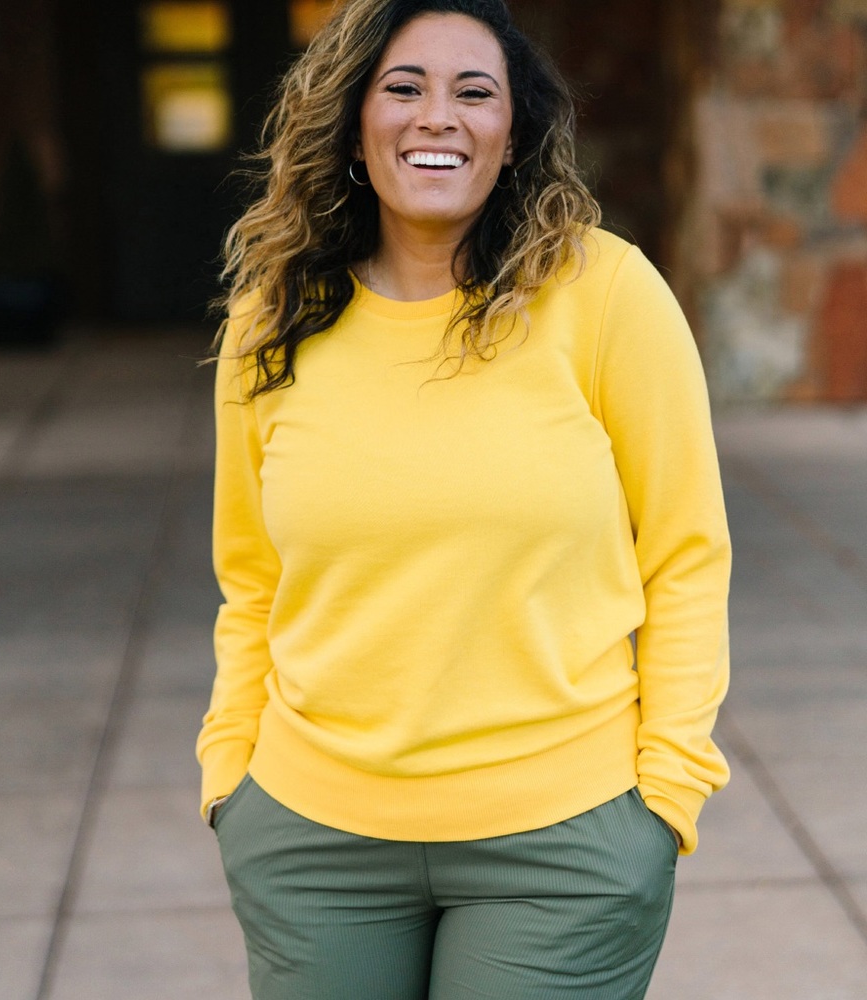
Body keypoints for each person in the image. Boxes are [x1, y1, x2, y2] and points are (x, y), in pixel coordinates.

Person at [197, 1, 731, 997]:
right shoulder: (270, 321)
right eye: (403, 88)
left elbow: (685, 553)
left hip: (563, 844)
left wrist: (665, 791)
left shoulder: (604, 294)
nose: (436, 115)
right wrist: (231, 774)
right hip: (311, 841)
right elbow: (252, 575)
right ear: (355, 123)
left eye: (472, 92)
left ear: (512, 135)